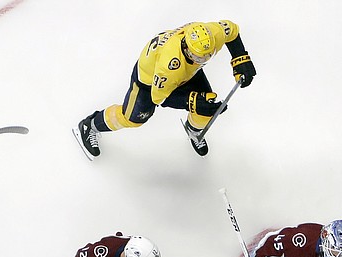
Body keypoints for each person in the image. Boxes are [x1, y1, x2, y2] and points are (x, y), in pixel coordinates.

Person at [73, 20, 256, 159]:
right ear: (185, 47)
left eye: (207, 57)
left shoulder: (212, 34)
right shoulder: (169, 64)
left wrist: (241, 58)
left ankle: (194, 131)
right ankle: (91, 124)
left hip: (187, 72)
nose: (203, 60)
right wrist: (189, 102)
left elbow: (231, 30)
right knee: (132, 118)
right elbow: (158, 97)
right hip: (149, 81)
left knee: (206, 105)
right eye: (198, 57)